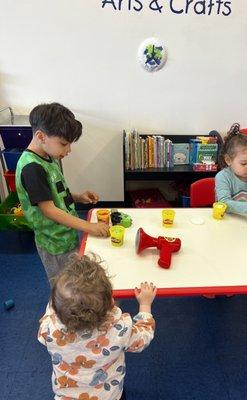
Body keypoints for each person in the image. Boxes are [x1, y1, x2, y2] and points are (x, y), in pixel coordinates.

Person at [38, 254, 156, 400]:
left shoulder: (49, 329)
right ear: (111, 303)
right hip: (109, 395)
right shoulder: (119, 329)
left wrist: (59, 301)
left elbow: (53, 308)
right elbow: (142, 338)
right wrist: (145, 305)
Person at [15, 102, 109, 283]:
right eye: (64, 144)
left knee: (75, 281)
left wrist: (78, 196)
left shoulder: (47, 157)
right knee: (64, 287)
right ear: (41, 136)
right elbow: (49, 209)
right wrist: (89, 226)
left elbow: (51, 193)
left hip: (65, 236)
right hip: (54, 244)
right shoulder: (32, 168)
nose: (68, 150)